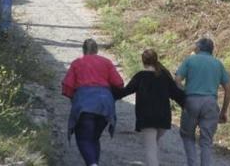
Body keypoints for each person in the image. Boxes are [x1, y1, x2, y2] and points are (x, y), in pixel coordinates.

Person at [113, 49, 186, 166]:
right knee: (153, 145)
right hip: (163, 119)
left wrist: (108, 90)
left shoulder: (140, 77)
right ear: (156, 60)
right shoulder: (164, 77)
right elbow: (177, 95)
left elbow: (125, 92)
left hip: (147, 119)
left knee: (150, 149)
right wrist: (188, 103)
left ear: (143, 61)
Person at [62, 38, 124, 166]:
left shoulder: (77, 63)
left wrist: (74, 98)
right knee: (94, 138)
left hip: (85, 104)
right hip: (105, 105)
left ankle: (92, 164)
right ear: (97, 50)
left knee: (84, 138)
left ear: (83, 50)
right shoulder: (106, 62)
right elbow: (119, 83)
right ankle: (94, 162)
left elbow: (67, 86)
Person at [176, 37, 230, 166]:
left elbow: (177, 80)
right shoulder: (217, 64)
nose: (194, 49)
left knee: (187, 136)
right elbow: (228, 89)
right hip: (210, 103)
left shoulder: (190, 60)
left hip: (191, 101)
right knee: (206, 141)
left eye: (195, 47)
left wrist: (185, 94)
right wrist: (223, 111)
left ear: (199, 48)